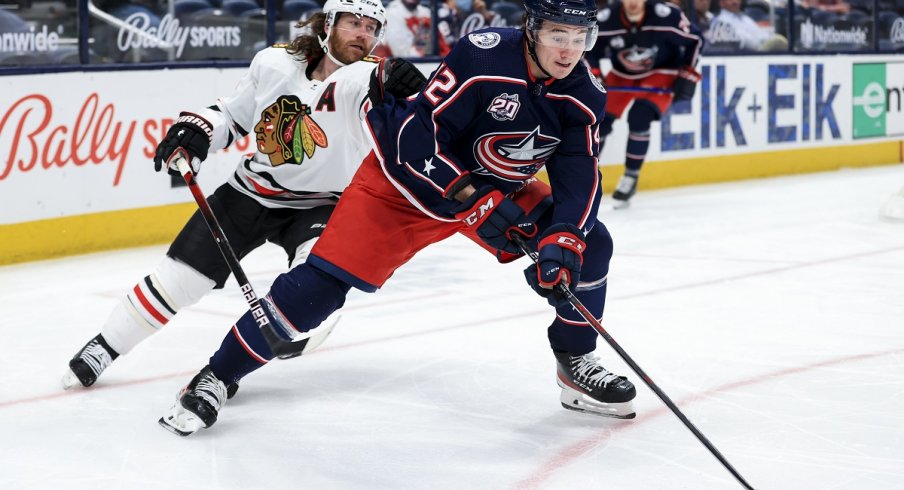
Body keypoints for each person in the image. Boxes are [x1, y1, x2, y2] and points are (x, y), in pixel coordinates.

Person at [159, 0, 638, 437]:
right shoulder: (484, 55)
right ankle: (216, 375)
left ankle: (575, 360)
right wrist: (468, 195)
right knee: (316, 292)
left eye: (581, 38)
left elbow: (579, 174)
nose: (569, 50)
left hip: (491, 191)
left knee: (589, 245)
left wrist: (564, 237)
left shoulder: (583, 91)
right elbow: (414, 135)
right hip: (400, 187)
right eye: (558, 35)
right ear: (531, 29)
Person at [62, 0, 426, 396]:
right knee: (178, 281)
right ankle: (105, 346)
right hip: (250, 193)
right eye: (354, 23)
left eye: (372, 28)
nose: (362, 34)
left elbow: (388, 102)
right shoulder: (274, 63)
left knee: (313, 290)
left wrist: (406, 91)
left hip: (323, 204)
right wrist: (198, 130)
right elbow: (232, 116)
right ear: (327, 24)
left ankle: (221, 374)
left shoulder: (367, 79)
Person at [586, 0, 703, 207]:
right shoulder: (606, 19)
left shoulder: (667, 16)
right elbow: (588, 49)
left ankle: (630, 176)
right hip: (622, 74)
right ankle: (586, 177)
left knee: (640, 116)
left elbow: (696, 39)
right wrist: (596, 74)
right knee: (599, 119)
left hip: (661, 72)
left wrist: (688, 71)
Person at [708, 0, 787, 51]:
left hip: (761, 50)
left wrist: (768, 40)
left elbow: (762, 34)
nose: (735, 2)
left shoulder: (745, 19)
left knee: (780, 41)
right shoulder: (721, 21)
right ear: (722, 3)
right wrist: (763, 42)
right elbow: (743, 42)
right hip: (745, 55)